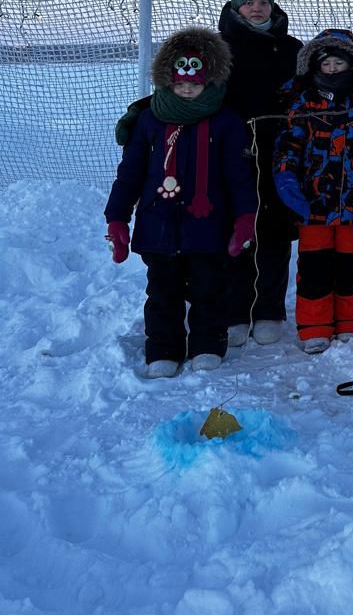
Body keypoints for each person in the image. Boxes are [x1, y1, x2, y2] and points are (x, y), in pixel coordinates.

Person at [104, 27, 257, 377]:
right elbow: (130, 173)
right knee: (162, 293)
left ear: (210, 81)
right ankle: (163, 349)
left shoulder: (226, 121)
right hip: (159, 225)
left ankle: (207, 343)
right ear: (167, 81)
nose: (187, 89)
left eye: (195, 83)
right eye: (180, 83)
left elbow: (239, 176)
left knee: (208, 291)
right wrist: (117, 218)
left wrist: (245, 218)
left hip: (209, 226)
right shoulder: (150, 119)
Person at [272, 30, 353, 353]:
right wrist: (285, 180)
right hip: (312, 206)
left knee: (352, 267)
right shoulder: (301, 101)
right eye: (327, 63)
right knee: (314, 268)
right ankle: (314, 327)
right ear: (315, 65)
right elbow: (288, 147)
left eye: (340, 62)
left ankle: (350, 326)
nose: (333, 69)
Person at [218, 0, 303, 348]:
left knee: (276, 230)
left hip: (282, 151)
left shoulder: (292, 49)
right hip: (235, 150)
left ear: (273, 6)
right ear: (236, 8)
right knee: (236, 228)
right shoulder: (221, 50)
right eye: (248, 2)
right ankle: (235, 311)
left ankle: (269, 309)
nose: (256, 8)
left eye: (263, 2)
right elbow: (191, 90)